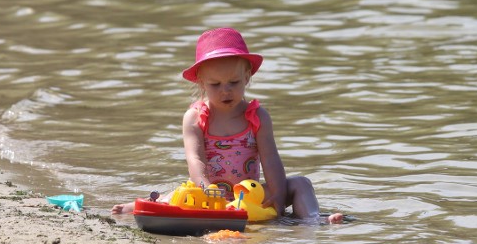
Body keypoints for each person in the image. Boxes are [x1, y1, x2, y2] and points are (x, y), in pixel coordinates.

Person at [112, 28, 343, 224]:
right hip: (210, 193)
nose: (226, 90)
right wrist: (206, 187)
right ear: (201, 83)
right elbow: (196, 159)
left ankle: (313, 221)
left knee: (301, 183)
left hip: (248, 193)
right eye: (215, 84)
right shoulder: (195, 117)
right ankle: (136, 206)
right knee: (175, 197)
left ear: (247, 77)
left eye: (234, 82)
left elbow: (271, 159)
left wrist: (279, 196)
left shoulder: (257, 116)